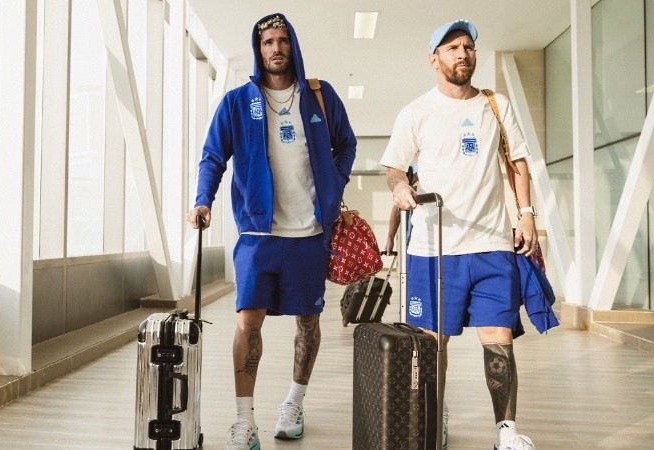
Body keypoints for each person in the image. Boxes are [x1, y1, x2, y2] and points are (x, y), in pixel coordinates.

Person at [186, 13, 356, 450]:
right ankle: (245, 421)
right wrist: (203, 199)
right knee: (248, 323)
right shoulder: (238, 102)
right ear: (258, 49)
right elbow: (212, 156)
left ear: (292, 45)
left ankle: (293, 405)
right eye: (267, 42)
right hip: (258, 236)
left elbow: (347, 144)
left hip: (309, 234)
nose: (275, 48)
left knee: (309, 322)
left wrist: (334, 186)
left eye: (282, 40)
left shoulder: (320, 97)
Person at [380, 19, 539, 450]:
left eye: (468, 46)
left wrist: (526, 214)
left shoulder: (496, 105)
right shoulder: (416, 112)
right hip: (434, 248)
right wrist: (399, 186)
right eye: (451, 47)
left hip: (491, 244)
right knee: (433, 345)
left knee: (499, 341)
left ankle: (506, 432)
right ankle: (434, 416)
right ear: (434, 59)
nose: (462, 53)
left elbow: (517, 162)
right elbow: (394, 165)